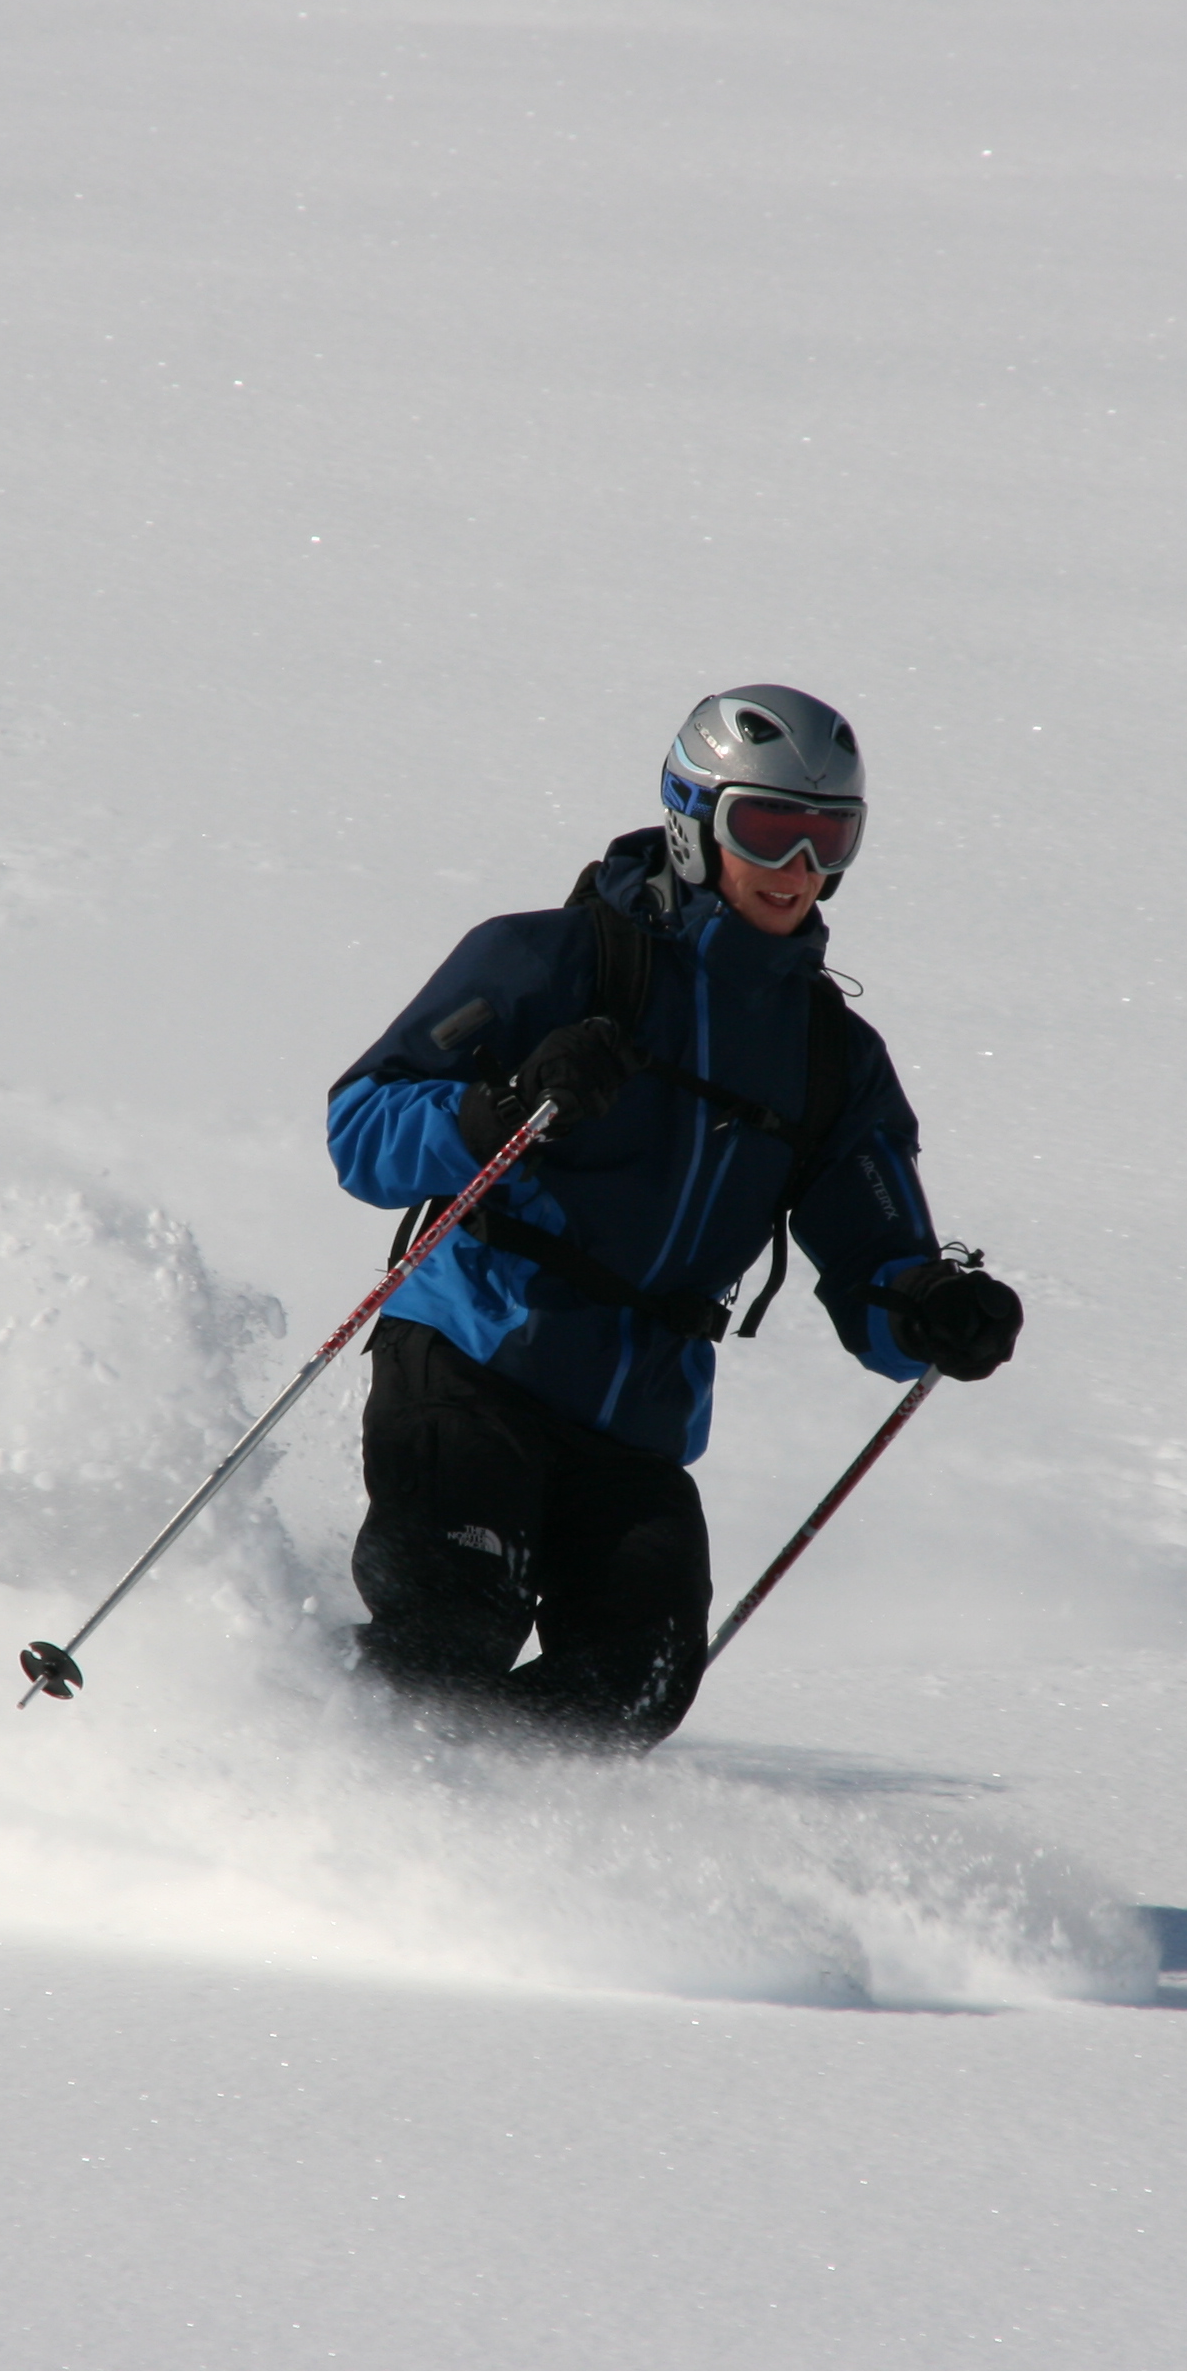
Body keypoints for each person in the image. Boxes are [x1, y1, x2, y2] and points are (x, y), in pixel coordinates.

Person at [324, 685, 1025, 1749]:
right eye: (769, 829)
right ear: (694, 820)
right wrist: (500, 1111)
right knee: (453, 1617)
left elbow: (877, 1264)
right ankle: (302, 1777)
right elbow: (362, 1129)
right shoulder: (549, 963)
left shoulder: (831, 1059)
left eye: (829, 837)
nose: (798, 869)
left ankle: (477, 1852)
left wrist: (930, 1310)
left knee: (635, 1680)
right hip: (472, 1357)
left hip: (634, 1423)